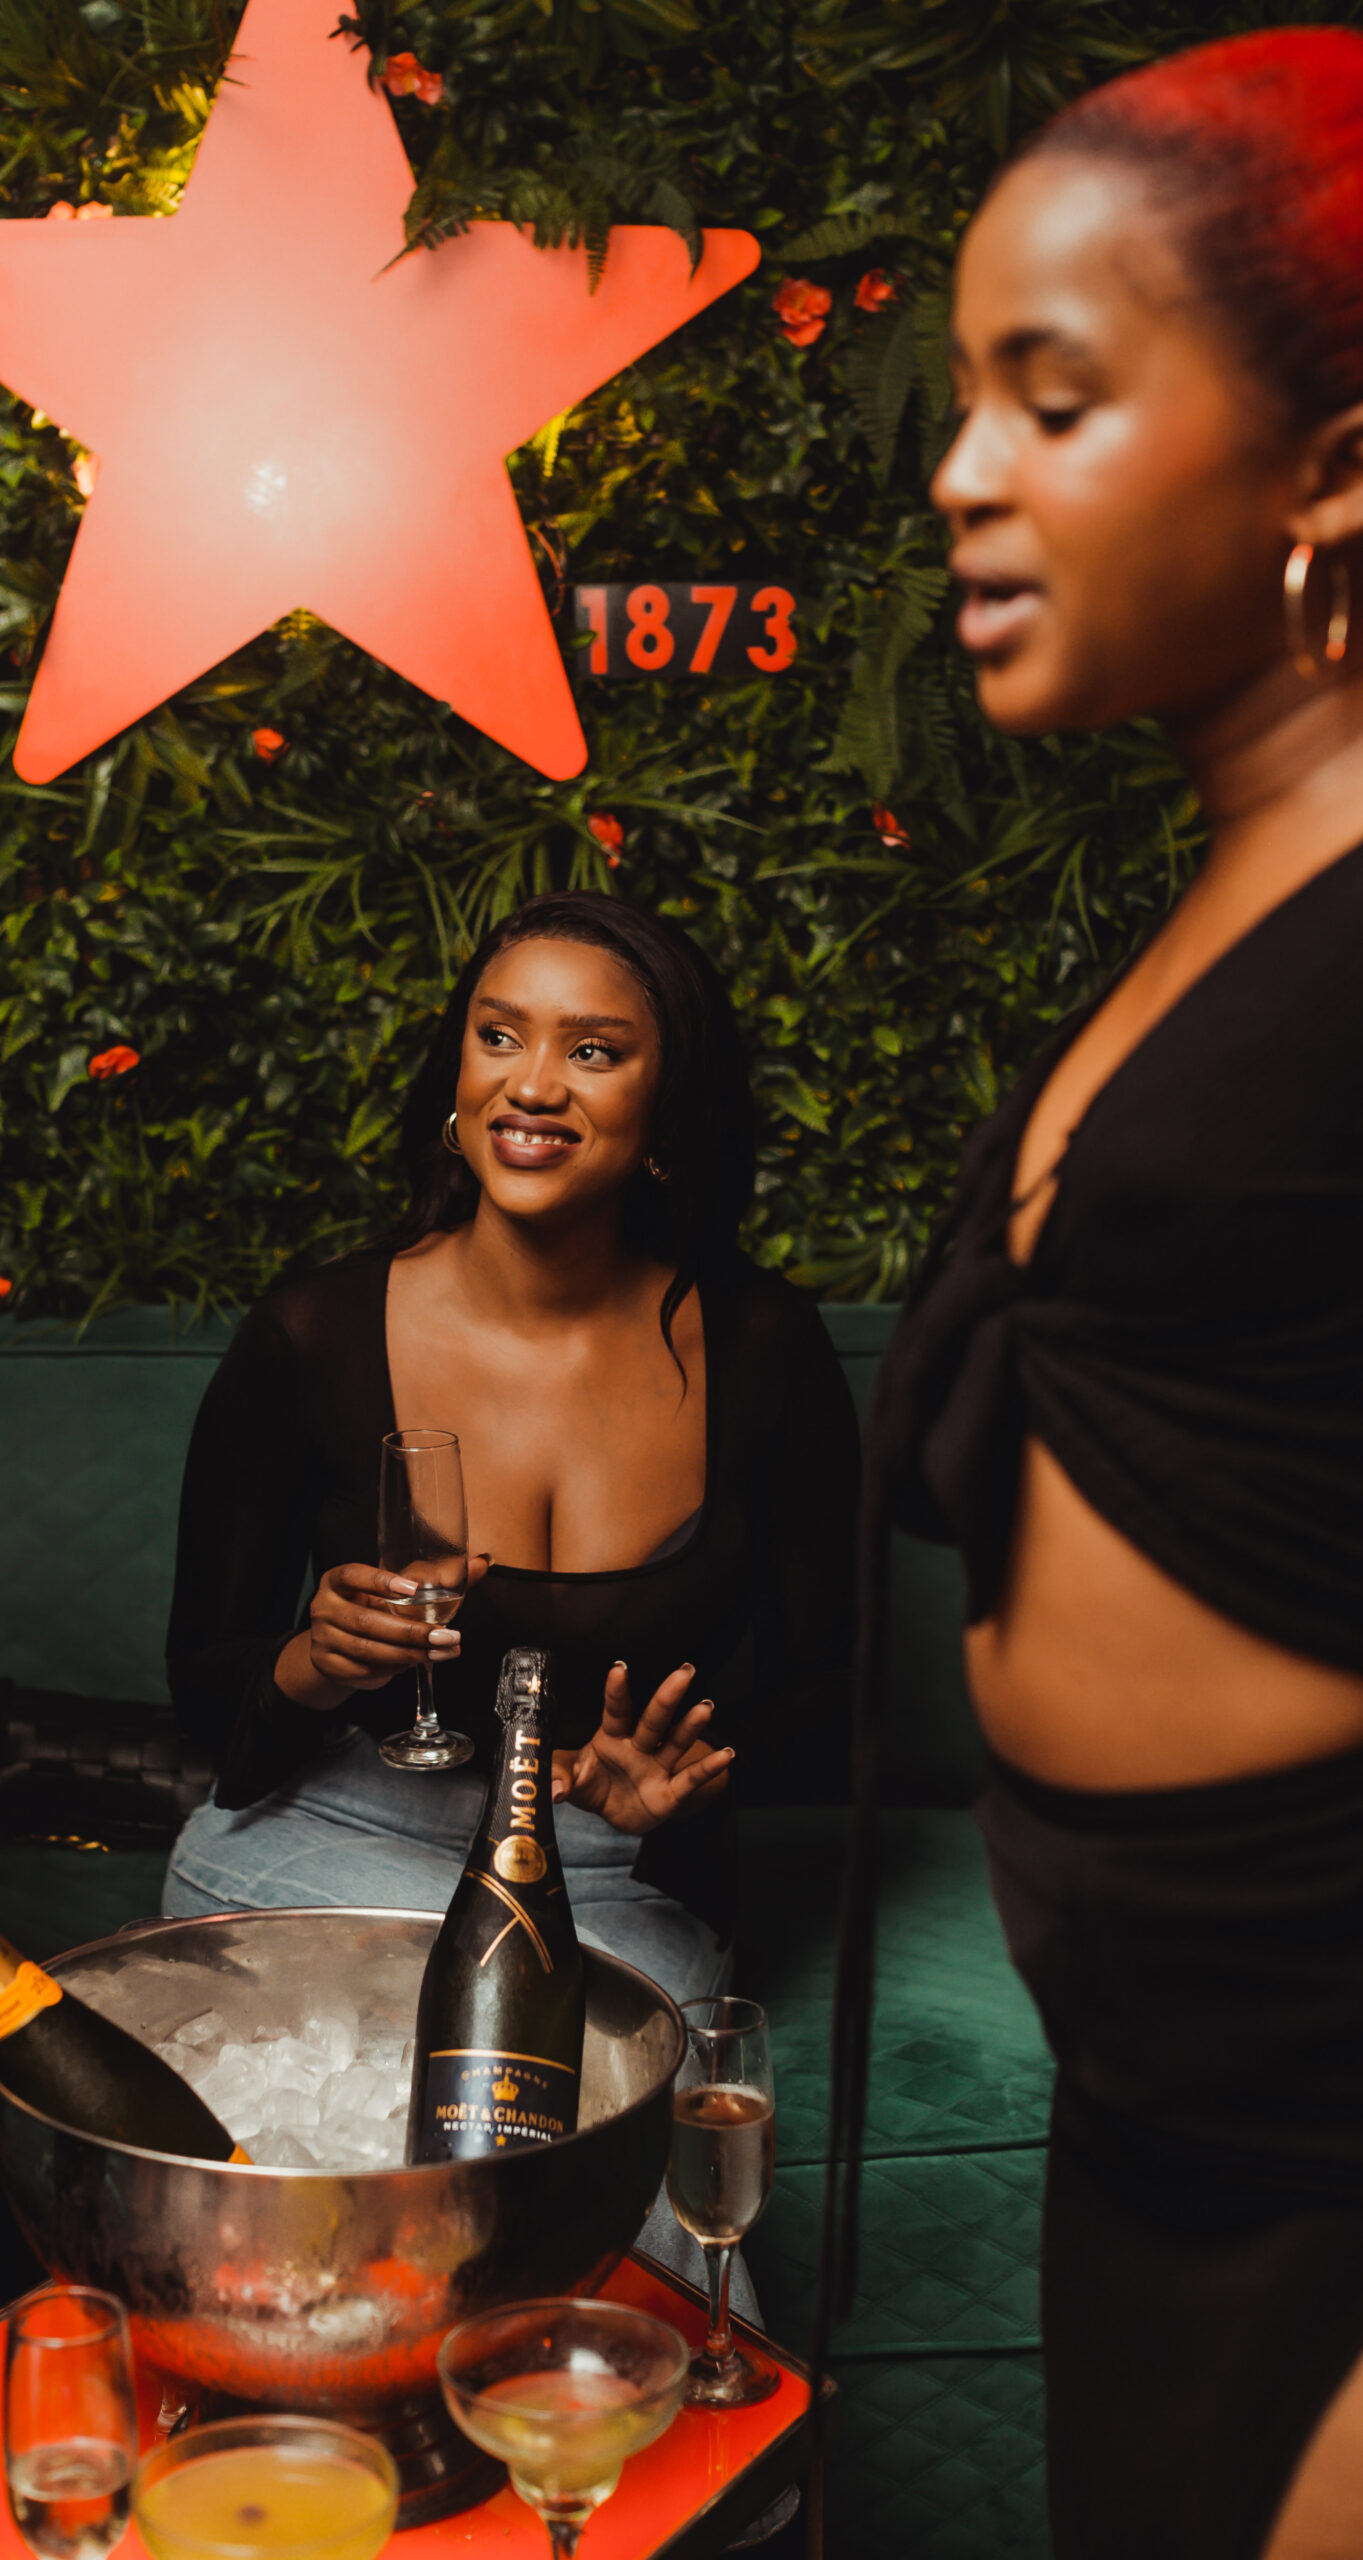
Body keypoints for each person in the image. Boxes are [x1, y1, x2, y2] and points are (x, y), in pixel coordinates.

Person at [845, 30, 1363, 2559]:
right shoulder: (1235, 867)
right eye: (966, 398)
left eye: (1049, 401)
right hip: (1163, 2126)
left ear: (1329, 468)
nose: (961, 471)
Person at [164, 891, 858, 2002]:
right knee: (383, 2037)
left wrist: (679, 1781)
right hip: (335, 1835)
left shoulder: (762, 1348)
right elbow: (204, 1690)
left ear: (669, 1098)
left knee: (561, 2051)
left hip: (614, 1869)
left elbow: (826, 1692)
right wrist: (314, 1660)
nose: (530, 1085)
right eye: (498, 1035)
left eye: (593, 1051)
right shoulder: (312, 1333)